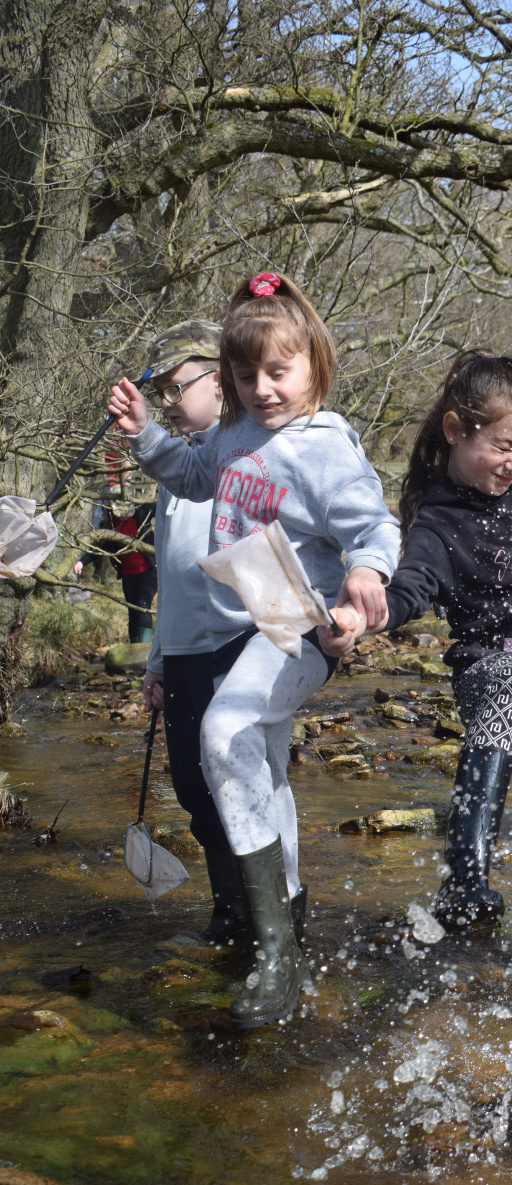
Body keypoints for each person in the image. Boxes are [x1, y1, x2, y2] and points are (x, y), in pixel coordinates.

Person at [108, 271, 400, 1028]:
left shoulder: (323, 442)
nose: (265, 390)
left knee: (224, 732)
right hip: (255, 609)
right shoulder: (234, 434)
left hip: (303, 619)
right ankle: (288, 929)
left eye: (280, 373)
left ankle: (274, 950)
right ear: (230, 381)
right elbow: (190, 474)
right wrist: (145, 431)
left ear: (313, 366)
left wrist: (366, 574)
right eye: (247, 377)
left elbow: (375, 526)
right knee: (261, 767)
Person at [347, 350, 512, 1023]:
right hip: (489, 663)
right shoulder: (436, 516)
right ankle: (466, 872)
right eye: (502, 447)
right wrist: (373, 612)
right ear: (459, 429)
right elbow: (413, 587)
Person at [129, 319, 254, 945]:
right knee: (191, 788)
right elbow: (171, 577)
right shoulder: (174, 468)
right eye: (166, 394)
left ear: (219, 380)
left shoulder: (238, 454)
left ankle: (263, 917)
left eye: (179, 387)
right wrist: (156, 659)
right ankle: (230, 909)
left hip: (230, 648)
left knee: (234, 785)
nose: (170, 403)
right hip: (180, 651)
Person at [74, 461, 157, 644]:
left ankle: (144, 653)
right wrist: (81, 561)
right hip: (128, 572)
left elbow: (162, 508)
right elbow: (101, 546)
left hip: (148, 569)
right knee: (132, 609)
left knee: (143, 606)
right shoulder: (110, 521)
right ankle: (133, 650)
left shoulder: (142, 510)